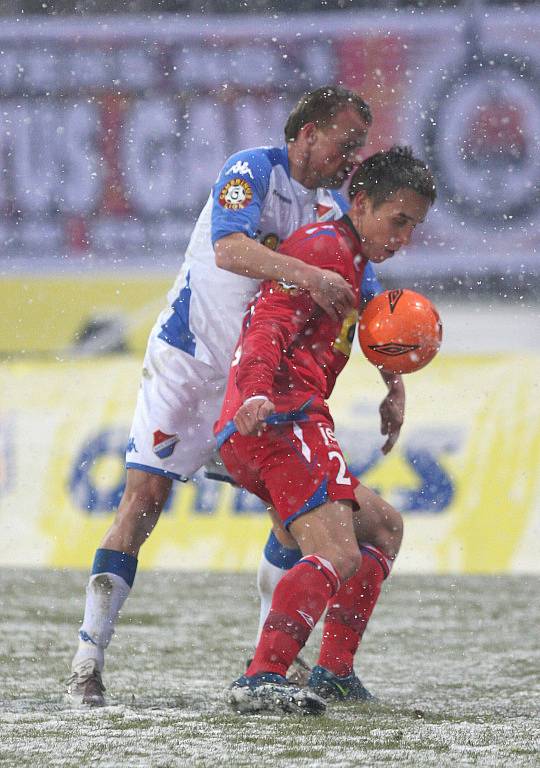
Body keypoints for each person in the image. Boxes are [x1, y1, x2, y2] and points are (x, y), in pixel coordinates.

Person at [66, 85, 382, 707]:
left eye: (357, 150)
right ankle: (87, 661)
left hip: (254, 381)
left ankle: (266, 665)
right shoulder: (250, 170)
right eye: (345, 144)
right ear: (308, 132)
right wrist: (310, 275)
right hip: (188, 364)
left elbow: (363, 286)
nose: (350, 160)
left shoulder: (327, 210)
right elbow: (229, 248)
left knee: (290, 513)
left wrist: (392, 362)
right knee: (143, 500)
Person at [214, 146, 436, 714]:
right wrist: (257, 390)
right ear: (359, 205)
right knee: (339, 553)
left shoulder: (353, 261)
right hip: (277, 420)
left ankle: (333, 673)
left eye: (415, 224)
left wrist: (394, 383)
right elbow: (266, 324)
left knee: (382, 528)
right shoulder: (322, 250)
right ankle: (262, 678)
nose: (405, 235)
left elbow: (366, 326)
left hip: (292, 420)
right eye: (399, 220)